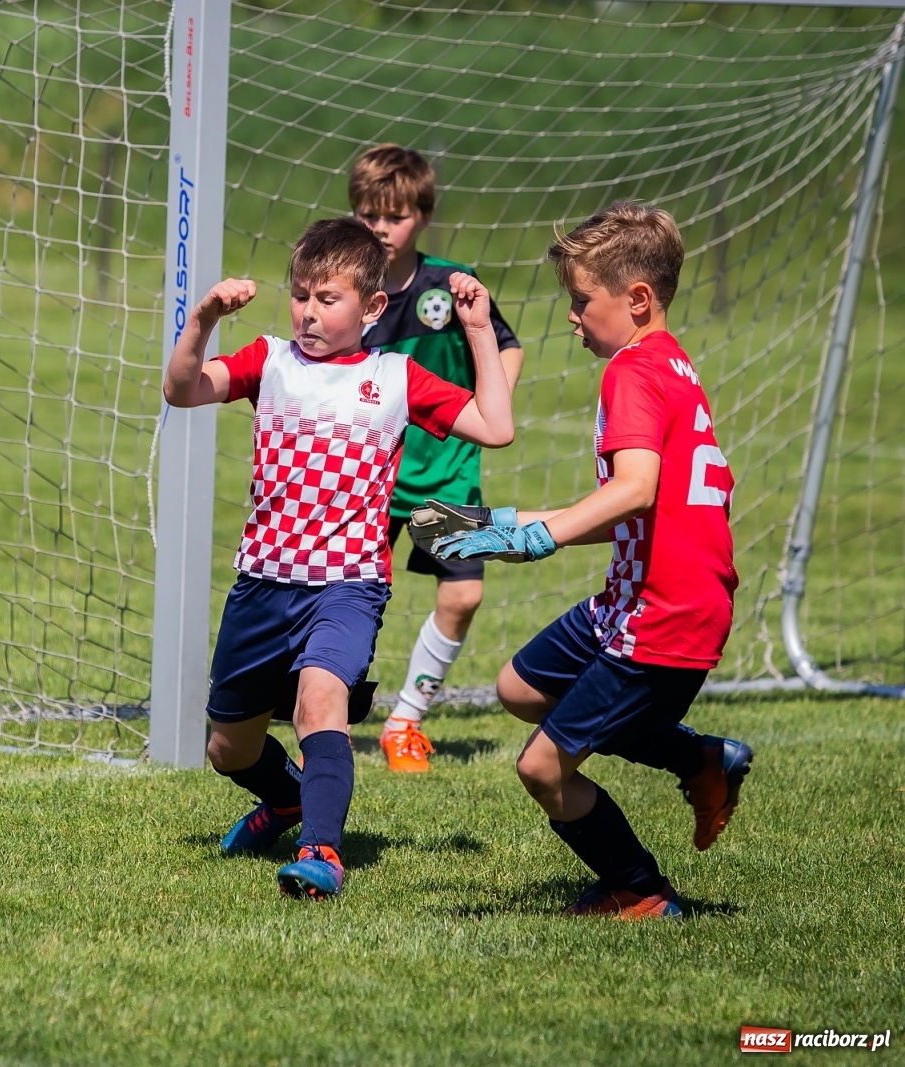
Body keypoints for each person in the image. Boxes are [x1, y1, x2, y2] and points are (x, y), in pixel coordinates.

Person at [163, 216, 514, 898]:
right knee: (227, 748)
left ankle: (320, 851)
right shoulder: (267, 361)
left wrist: (477, 329)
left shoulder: (396, 376)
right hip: (263, 583)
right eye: (300, 295)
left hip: (347, 586)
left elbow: (496, 427)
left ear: (372, 307)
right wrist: (203, 317)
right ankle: (291, 797)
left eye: (328, 299)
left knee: (318, 703)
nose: (309, 312)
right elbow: (181, 389)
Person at [430, 201, 752, 919]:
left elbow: (635, 491)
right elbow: (646, 508)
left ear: (636, 300)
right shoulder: (672, 363)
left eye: (581, 301)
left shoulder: (630, 374)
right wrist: (499, 527)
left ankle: (638, 888)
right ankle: (698, 759)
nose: (572, 316)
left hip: (662, 613)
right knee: (519, 688)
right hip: (639, 595)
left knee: (542, 766)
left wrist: (539, 540)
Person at [348, 143, 526, 773]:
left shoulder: (447, 285)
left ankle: (404, 723)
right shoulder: (345, 291)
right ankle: (334, 711)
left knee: (464, 595)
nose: (380, 228)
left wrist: (487, 407)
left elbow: (506, 348)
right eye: (369, 215)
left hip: (447, 470)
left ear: (420, 216)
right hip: (368, 473)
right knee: (349, 596)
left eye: (393, 216)